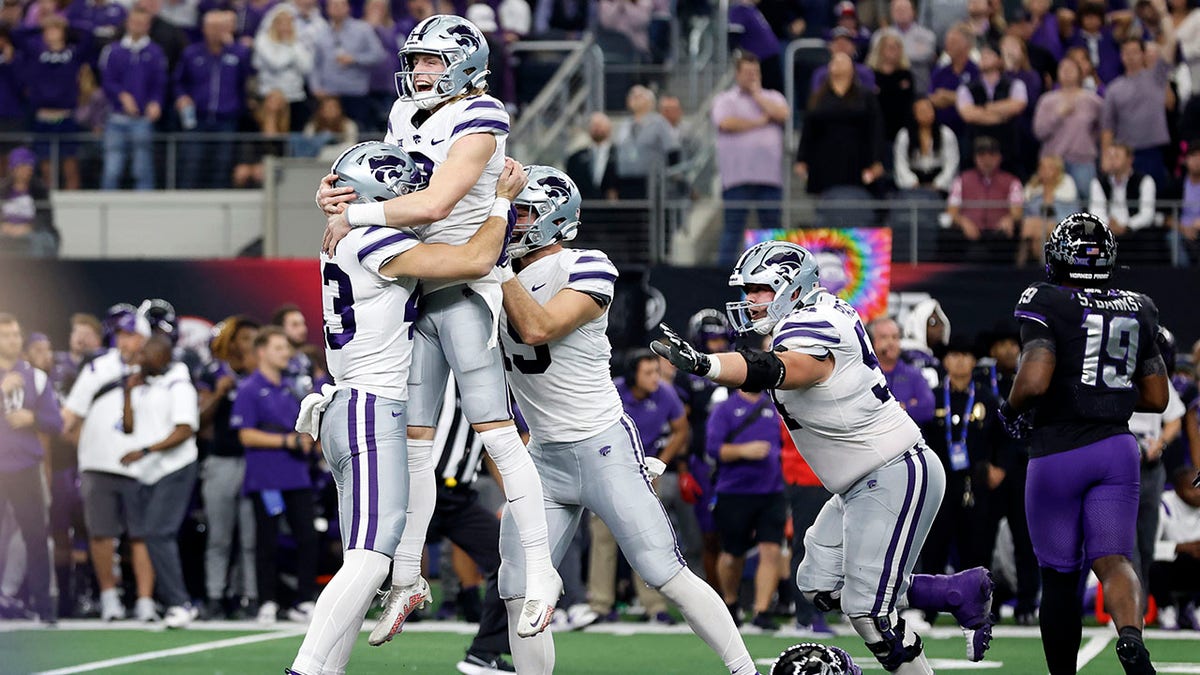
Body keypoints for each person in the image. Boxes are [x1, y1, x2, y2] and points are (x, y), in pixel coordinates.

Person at [314, 14, 561, 642]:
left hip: (470, 278)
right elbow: (393, 176)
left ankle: (541, 573)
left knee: (499, 439)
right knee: (417, 442)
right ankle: (406, 577)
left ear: (466, 65)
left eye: (431, 61)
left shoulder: (484, 116)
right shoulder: (405, 112)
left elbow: (433, 205)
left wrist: (357, 216)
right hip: (424, 281)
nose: (420, 71)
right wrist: (338, 196)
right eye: (416, 60)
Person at [653, 240, 995, 672]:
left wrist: (707, 364)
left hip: (893, 470)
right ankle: (954, 591)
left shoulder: (812, 323)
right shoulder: (816, 313)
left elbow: (785, 369)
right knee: (818, 585)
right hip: (861, 482)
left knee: (871, 613)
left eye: (759, 289)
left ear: (792, 288)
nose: (749, 300)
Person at [496, 165, 758, 675]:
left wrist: (494, 264)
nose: (511, 221)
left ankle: (745, 670)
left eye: (522, 211)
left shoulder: (586, 265)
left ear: (554, 218)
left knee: (664, 571)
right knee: (516, 585)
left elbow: (537, 326)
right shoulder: (495, 273)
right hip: (542, 456)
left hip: (602, 447)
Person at [285, 144, 525, 675]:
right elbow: (474, 260)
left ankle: (325, 670)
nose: (412, 196)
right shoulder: (372, 238)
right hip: (371, 409)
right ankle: (304, 670)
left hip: (351, 405)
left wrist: (336, 203)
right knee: (372, 560)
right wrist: (501, 203)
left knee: (361, 563)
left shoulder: (352, 235)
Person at [1002, 212, 1170, 675]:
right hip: (1117, 450)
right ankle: (1131, 639)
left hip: (1058, 450)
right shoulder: (1139, 305)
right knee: (1115, 560)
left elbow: (1034, 379)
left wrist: (1010, 410)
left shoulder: (1047, 298)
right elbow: (1158, 397)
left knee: (1059, 578)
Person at [63, 308, 158, 622]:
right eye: (120, 334)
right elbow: (69, 419)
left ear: (144, 337)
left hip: (143, 466)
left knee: (142, 536)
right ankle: (109, 598)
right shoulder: (98, 368)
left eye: (131, 334)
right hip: (98, 465)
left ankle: (145, 601)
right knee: (102, 534)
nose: (124, 341)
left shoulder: (160, 370)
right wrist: (88, 451)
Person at [589, 348, 690, 625]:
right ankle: (599, 605)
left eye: (657, 371)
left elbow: (681, 427)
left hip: (644, 475)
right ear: (633, 375)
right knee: (603, 538)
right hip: (607, 473)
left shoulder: (666, 393)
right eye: (648, 373)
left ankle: (655, 606)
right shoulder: (612, 392)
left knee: (646, 539)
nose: (655, 378)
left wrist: (661, 461)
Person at [230, 326, 319, 625]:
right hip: (267, 478)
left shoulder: (292, 387)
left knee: (307, 538)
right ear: (262, 352)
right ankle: (267, 600)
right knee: (267, 541)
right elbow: (245, 435)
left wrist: (306, 439)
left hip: (297, 474)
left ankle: (303, 600)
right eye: (279, 348)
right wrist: (286, 441)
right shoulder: (249, 388)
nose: (287, 353)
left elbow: (302, 427)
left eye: (287, 348)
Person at [116, 334, 199, 629]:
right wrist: (127, 393)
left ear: (164, 356)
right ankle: (175, 602)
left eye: (148, 351)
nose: (141, 355)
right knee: (151, 535)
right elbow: (128, 427)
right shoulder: (143, 385)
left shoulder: (179, 384)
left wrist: (146, 450)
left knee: (157, 533)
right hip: (149, 472)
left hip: (175, 467)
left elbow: (185, 429)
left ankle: (180, 603)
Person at [707, 385, 785, 632]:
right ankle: (730, 601)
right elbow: (712, 450)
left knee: (771, 549)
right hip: (735, 491)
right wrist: (743, 451)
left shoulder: (775, 406)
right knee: (732, 554)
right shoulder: (725, 409)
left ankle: (761, 610)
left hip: (772, 490)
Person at [0, 313, 61, 624]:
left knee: (35, 536)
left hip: (25, 466)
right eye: (5, 335)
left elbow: (56, 422)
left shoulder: (36, 377)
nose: (12, 340)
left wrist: (32, 419)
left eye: (15, 334)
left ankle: (43, 607)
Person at [711, 52, 789, 267]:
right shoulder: (725, 99)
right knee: (732, 231)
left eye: (755, 72)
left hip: (769, 178)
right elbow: (725, 123)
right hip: (737, 178)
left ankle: (778, 276)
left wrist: (757, 96)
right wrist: (760, 121)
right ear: (737, 74)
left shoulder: (773, 96)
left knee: (772, 231)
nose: (752, 76)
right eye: (747, 72)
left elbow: (782, 114)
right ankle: (722, 281)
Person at [98, 7, 166, 191]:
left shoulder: (155, 52)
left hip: (142, 119)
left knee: (142, 167)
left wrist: (155, 102)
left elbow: (159, 83)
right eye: (135, 22)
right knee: (113, 167)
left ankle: (145, 209)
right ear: (128, 23)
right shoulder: (113, 51)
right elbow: (107, 81)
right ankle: (106, 205)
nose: (138, 26)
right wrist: (121, 95)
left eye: (142, 23)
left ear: (148, 26)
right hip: (116, 117)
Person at [1032, 58, 1104, 201]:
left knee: (1086, 202)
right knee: (1057, 203)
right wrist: (1058, 116)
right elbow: (1039, 131)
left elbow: (1103, 129)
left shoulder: (1093, 101)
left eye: (1071, 69)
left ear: (1079, 73)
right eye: (1063, 69)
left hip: (1083, 161)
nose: (1066, 72)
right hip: (1054, 162)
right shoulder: (1047, 100)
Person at [944, 136, 1024, 262]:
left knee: (1009, 235)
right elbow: (951, 212)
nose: (987, 160)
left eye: (991, 155)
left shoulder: (1012, 181)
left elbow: (1017, 212)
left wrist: (1009, 219)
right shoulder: (962, 180)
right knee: (950, 235)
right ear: (975, 158)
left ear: (999, 157)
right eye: (982, 155)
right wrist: (962, 221)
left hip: (997, 235)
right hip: (969, 234)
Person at [1089, 143, 1163, 264]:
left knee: (1148, 239)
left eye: (1116, 156)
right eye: (1109, 156)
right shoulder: (1098, 182)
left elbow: (1147, 214)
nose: (1112, 160)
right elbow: (1096, 210)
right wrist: (1108, 225)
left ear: (1129, 159)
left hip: (1134, 231)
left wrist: (1126, 226)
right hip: (1109, 230)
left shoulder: (1145, 181)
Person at [868, 317, 935, 425]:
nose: (891, 342)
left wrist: (887, 411)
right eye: (884, 337)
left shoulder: (914, 375)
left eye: (895, 337)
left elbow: (927, 410)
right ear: (872, 341)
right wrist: (906, 406)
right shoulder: (866, 375)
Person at [1018, 156, 1079, 267]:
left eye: (1049, 167)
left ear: (1058, 171)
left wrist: (1047, 223)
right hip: (1036, 233)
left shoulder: (1067, 192)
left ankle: (1022, 266)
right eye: (1042, 167)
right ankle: (1024, 268)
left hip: (1062, 231)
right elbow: (1026, 216)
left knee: (1034, 227)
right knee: (1032, 229)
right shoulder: (1033, 192)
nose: (1044, 171)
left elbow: (1073, 219)